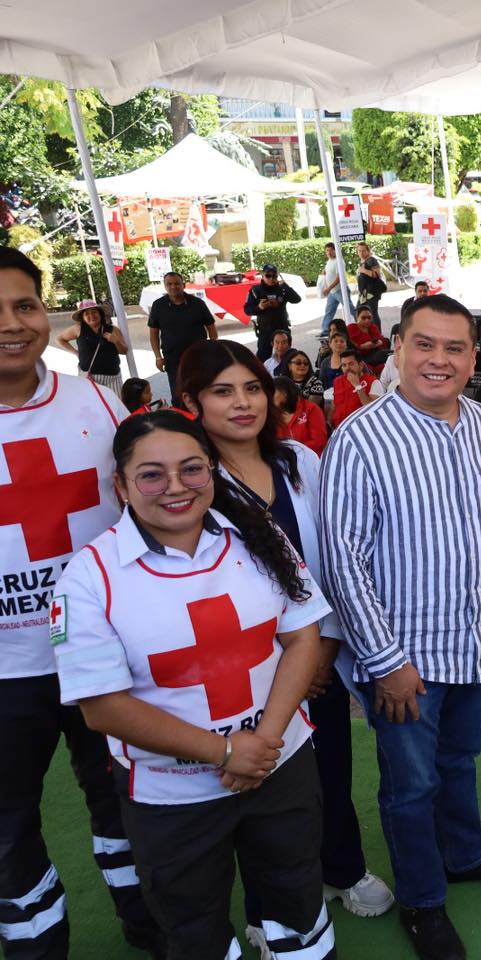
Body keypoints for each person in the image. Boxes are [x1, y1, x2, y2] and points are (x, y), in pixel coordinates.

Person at [54, 410, 335, 960]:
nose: (176, 487)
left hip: (279, 766)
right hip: (171, 793)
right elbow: (103, 708)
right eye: (152, 474)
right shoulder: (88, 578)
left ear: (212, 471)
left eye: (192, 469)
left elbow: (302, 638)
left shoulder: (257, 536)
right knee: (193, 925)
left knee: (297, 901)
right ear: (121, 485)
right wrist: (228, 751)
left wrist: (262, 746)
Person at [319, 293, 481, 959]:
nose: (438, 360)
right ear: (398, 350)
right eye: (425, 344)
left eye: (454, 347)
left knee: (460, 762)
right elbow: (342, 561)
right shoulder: (360, 437)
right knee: (410, 788)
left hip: (474, 640)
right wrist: (385, 662)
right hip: (404, 662)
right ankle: (422, 898)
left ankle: (465, 855)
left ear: (475, 356)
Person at [175, 340, 393, 937]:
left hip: (317, 652)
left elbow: (335, 557)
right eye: (223, 391)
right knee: (260, 782)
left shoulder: (300, 459)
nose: (243, 403)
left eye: (251, 388)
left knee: (330, 770)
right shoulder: (192, 481)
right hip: (239, 664)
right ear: (191, 400)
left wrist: (324, 642)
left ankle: (341, 869)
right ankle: (265, 905)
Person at [0, 247, 161, 959]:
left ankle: (147, 917)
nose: (12, 324)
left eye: (25, 305)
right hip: (7, 673)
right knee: (8, 826)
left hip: (101, 655)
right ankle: (37, 944)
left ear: (47, 312)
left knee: (123, 799)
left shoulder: (94, 400)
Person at [148, 270, 218, 402]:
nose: (173, 287)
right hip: (172, 358)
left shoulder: (197, 303)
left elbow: (211, 326)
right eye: (169, 284)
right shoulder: (158, 305)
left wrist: (212, 349)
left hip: (198, 357)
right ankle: (181, 420)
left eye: (176, 284)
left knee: (201, 392)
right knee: (178, 395)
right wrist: (158, 356)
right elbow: (153, 332)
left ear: (183, 285)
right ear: (165, 286)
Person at [57, 298, 127, 394]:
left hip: (113, 378)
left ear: (100, 314)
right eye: (87, 314)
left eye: (94, 312)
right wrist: (76, 353)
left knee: (115, 407)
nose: (91, 316)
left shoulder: (113, 329)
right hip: (89, 378)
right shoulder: (78, 329)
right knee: (93, 407)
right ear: (83, 317)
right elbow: (60, 339)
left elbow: (124, 350)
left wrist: (116, 341)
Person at [244, 264, 300, 362]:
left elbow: (297, 299)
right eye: (268, 276)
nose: (271, 279)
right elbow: (247, 310)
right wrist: (259, 307)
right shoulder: (255, 290)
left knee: (286, 359)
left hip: (282, 329)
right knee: (263, 360)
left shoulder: (282, 289)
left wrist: (285, 286)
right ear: (262, 275)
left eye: (274, 276)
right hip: (265, 332)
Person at [275, 377, 329, 455]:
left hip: (311, 459)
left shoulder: (311, 409)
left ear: (285, 393)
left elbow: (319, 440)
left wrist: (294, 451)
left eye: (273, 392)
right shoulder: (271, 415)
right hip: (284, 461)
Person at [331, 350, 378, 427]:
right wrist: (329, 423)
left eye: (351, 364)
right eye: (344, 365)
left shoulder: (373, 382)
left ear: (361, 365)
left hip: (361, 428)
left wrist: (357, 386)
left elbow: (372, 409)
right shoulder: (337, 381)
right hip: (339, 428)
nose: (347, 368)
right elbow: (334, 405)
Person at [348, 305, 392, 370]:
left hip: (376, 353)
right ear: (357, 318)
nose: (367, 320)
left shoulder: (373, 327)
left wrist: (373, 344)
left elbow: (382, 341)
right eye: (363, 318)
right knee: (390, 355)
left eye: (369, 318)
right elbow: (350, 344)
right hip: (362, 357)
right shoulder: (352, 328)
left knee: (389, 352)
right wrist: (362, 346)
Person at [319, 242, 347, 327]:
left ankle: (358, 324)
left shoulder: (339, 261)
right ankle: (325, 330)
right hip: (332, 292)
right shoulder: (329, 261)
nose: (329, 253)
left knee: (350, 309)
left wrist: (328, 288)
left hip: (339, 290)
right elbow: (330, 272)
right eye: (327, 251)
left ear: (336, 251)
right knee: (329, 311)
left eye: (331, 250)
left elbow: (339, 278)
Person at [354, 241, 386, 312]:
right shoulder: (362, 261)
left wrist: (363, 270)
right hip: (364, 294)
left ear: (368, 251)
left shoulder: (371, 260)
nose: (361, 253)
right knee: (359, 313)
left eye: (363, 251)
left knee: (372, 314)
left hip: (371, 293)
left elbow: (377, 275)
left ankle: (375, 324)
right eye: (359, 251)